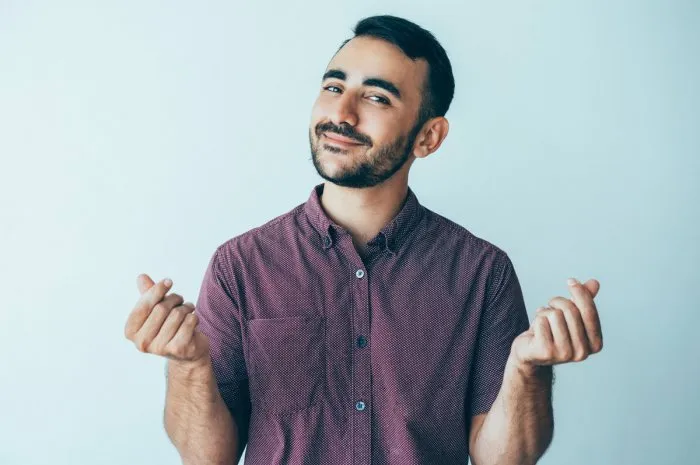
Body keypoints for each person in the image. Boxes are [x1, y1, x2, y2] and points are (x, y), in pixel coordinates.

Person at [124, 14, 604, 465]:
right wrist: (187, 367)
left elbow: (503, 459)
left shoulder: (482, 272)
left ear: (429, 137)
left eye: (377, 97)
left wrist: (527, 371)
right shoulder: (240, 265)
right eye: (334, 87)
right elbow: (209, 457)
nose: (342, 113)